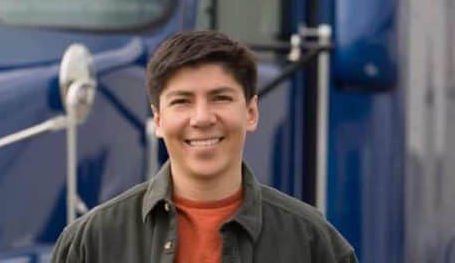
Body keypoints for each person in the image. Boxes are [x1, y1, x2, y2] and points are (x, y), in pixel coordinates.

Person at [51, 30, 357, 262]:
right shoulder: (91, 243)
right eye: (182, 101)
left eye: (220, 98)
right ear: (158, 120)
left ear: (251, 113)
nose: (202, 118)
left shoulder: (312, 242)